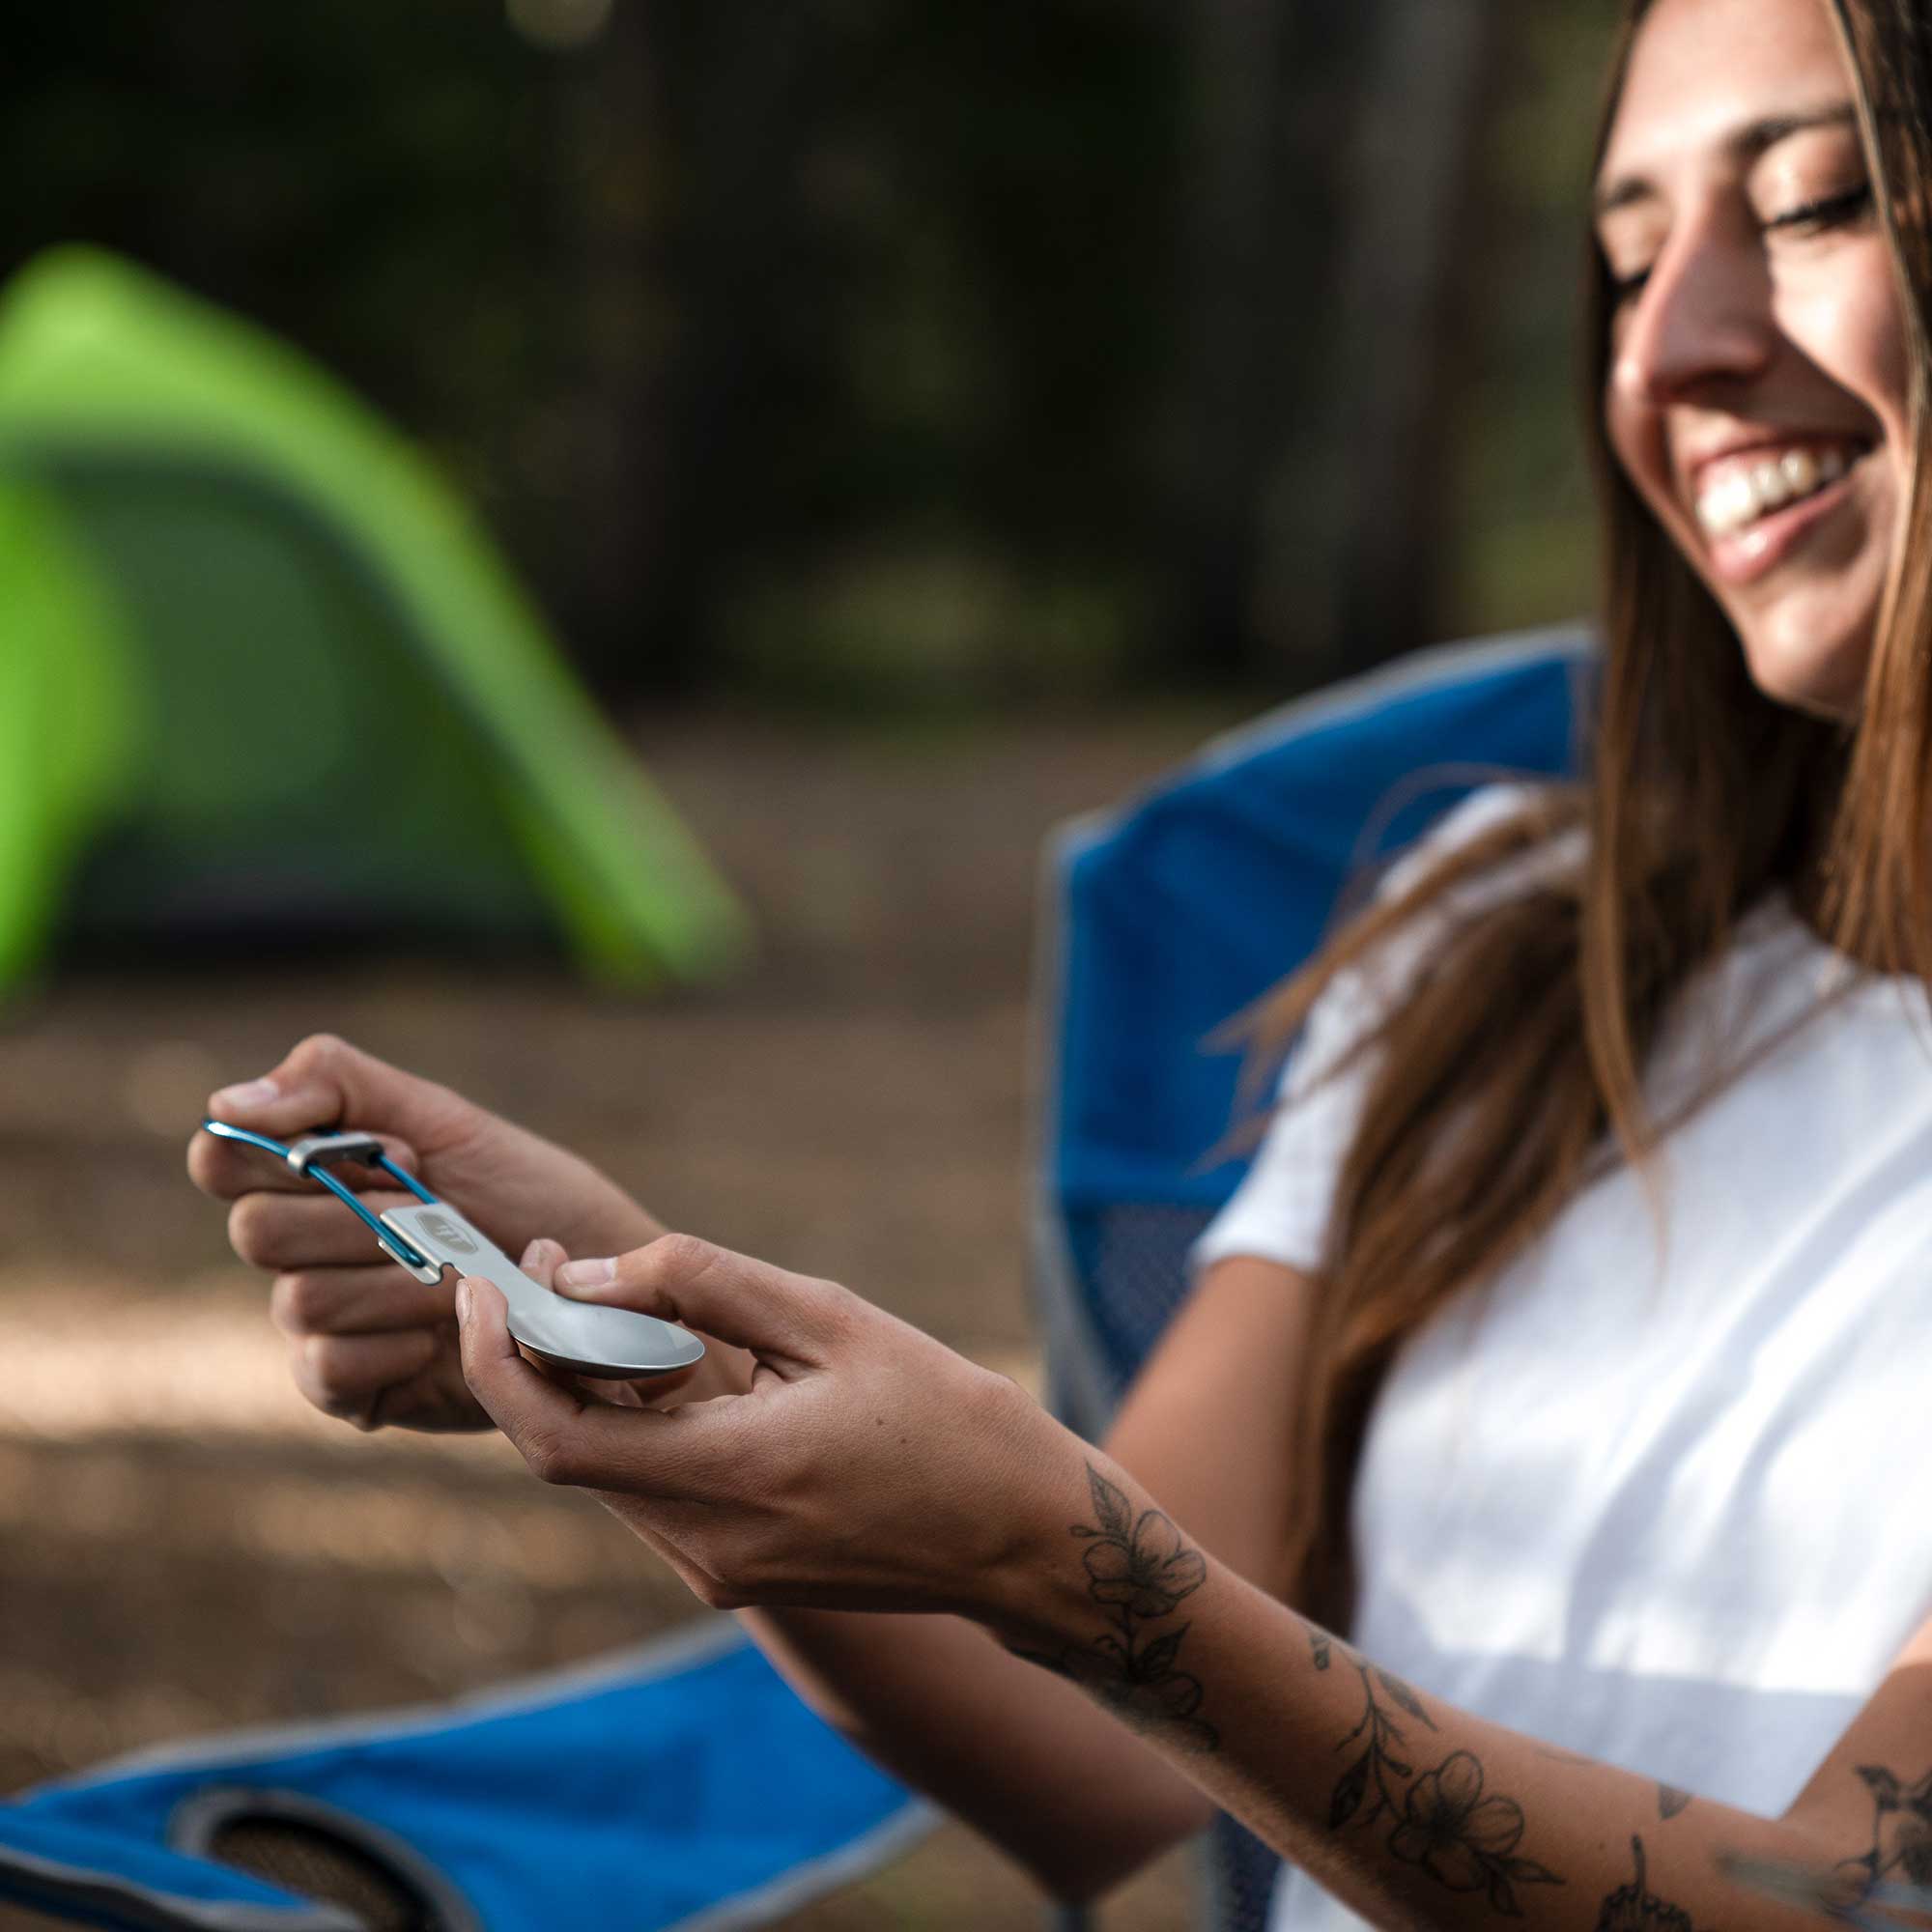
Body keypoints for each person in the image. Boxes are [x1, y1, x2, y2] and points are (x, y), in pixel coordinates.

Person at [189, 0, 1932, 1925]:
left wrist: (1069, 1562)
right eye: (1620, 260)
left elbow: (1846, 1898)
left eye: (1815, 202)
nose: (1670, 343)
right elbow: (1090, 1756)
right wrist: (655, 1361)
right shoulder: (1500, 944)